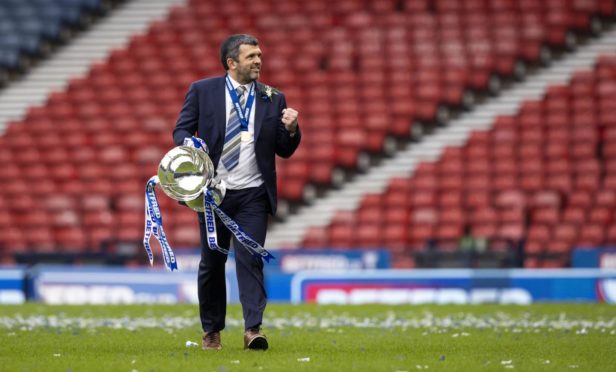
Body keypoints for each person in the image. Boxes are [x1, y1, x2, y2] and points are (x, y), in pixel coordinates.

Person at [172, 34, 301, 350]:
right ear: (232, 63)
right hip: (213, 194)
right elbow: (181, 130)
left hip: (253, 194)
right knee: (212, 263)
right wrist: (192, 146)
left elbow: (284, 150)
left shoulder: (273, 97)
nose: (258, 61)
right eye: (251, 56)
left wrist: (292, 129)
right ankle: (212, 331)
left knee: (250, 258)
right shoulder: (203, 91)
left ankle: (253, 330)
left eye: (259, 55)